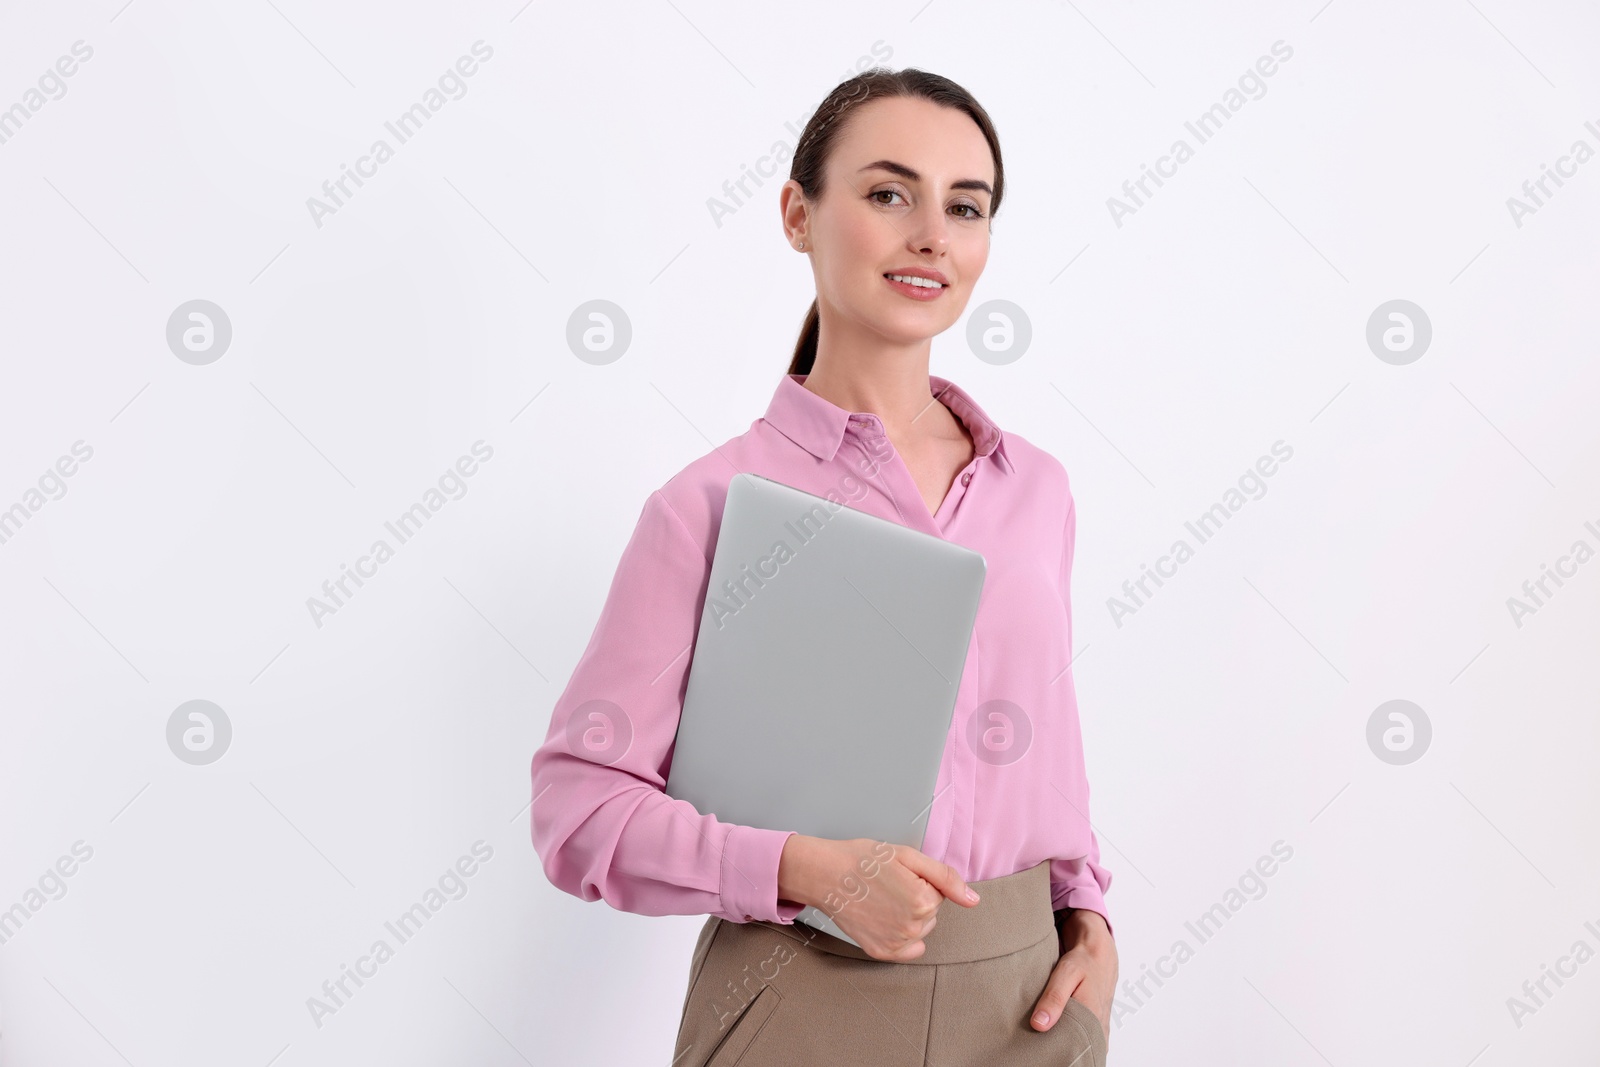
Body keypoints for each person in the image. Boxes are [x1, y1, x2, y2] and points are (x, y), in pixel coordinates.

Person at [530, 67, 1117, 1066]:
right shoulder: (706, 506)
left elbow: (1043, 744)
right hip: (799, 991)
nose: (931, 233)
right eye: (889, 193)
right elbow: (576, 809)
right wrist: (801, 867)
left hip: (1029, 997)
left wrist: (1087, 913)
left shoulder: (1038, 490)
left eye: (964, 206)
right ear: (798, 213)